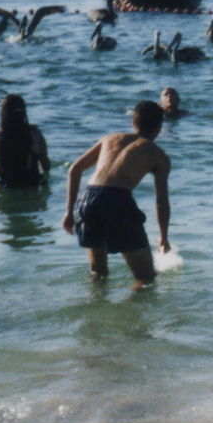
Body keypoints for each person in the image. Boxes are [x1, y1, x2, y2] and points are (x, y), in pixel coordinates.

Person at [62, 101, 171, 287]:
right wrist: (163, 237)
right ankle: (127, 312)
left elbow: (74, 170)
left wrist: (69, 212)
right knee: (146, 279)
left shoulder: (110, 138)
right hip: (117, 201)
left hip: (87, 198)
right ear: (159, 127)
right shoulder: (158, 155)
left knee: (98, 272)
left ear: (133, 123)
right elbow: (161, 202)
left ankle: (95, 312)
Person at [0, 93, 50, 189]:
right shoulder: (36, 134)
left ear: (3, 112)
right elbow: (46, 166)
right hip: (33, 184)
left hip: (9, 186)